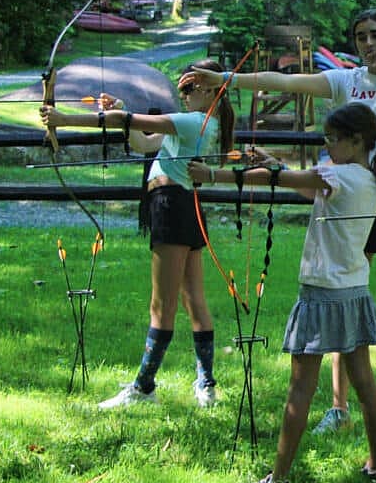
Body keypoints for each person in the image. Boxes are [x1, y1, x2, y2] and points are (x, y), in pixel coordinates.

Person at [180, 9, 376, 431]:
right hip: (355, 204)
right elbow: (281, 82)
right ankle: (339, 409)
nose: (368, 44)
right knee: (343, 301)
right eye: (360, 38)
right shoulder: (345, 81)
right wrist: (227, 79)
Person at [187, 102, 376, 483]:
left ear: (356, 141)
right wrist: (271, 160)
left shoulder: (338, 174)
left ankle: (278, 478)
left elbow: (282, 182)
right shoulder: (367, 179)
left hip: (321, 295)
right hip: (353, 291)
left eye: (332, 139)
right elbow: (303, 185)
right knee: (365, 383)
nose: (327, 145)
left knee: (301, 389)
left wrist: (210, 174)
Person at [40, 59, 235, 409]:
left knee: (162, 305)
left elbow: (128, 123)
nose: (183, 93)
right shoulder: (199, 123)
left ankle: (144, 387)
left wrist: (63, 120)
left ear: (210, 89)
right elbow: (144, 143)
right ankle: (206, 385)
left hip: (171, 207)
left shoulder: (192, 122)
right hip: (184, 205)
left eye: (190, 87)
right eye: (183, 87)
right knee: (194, 300)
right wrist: (123, 111)